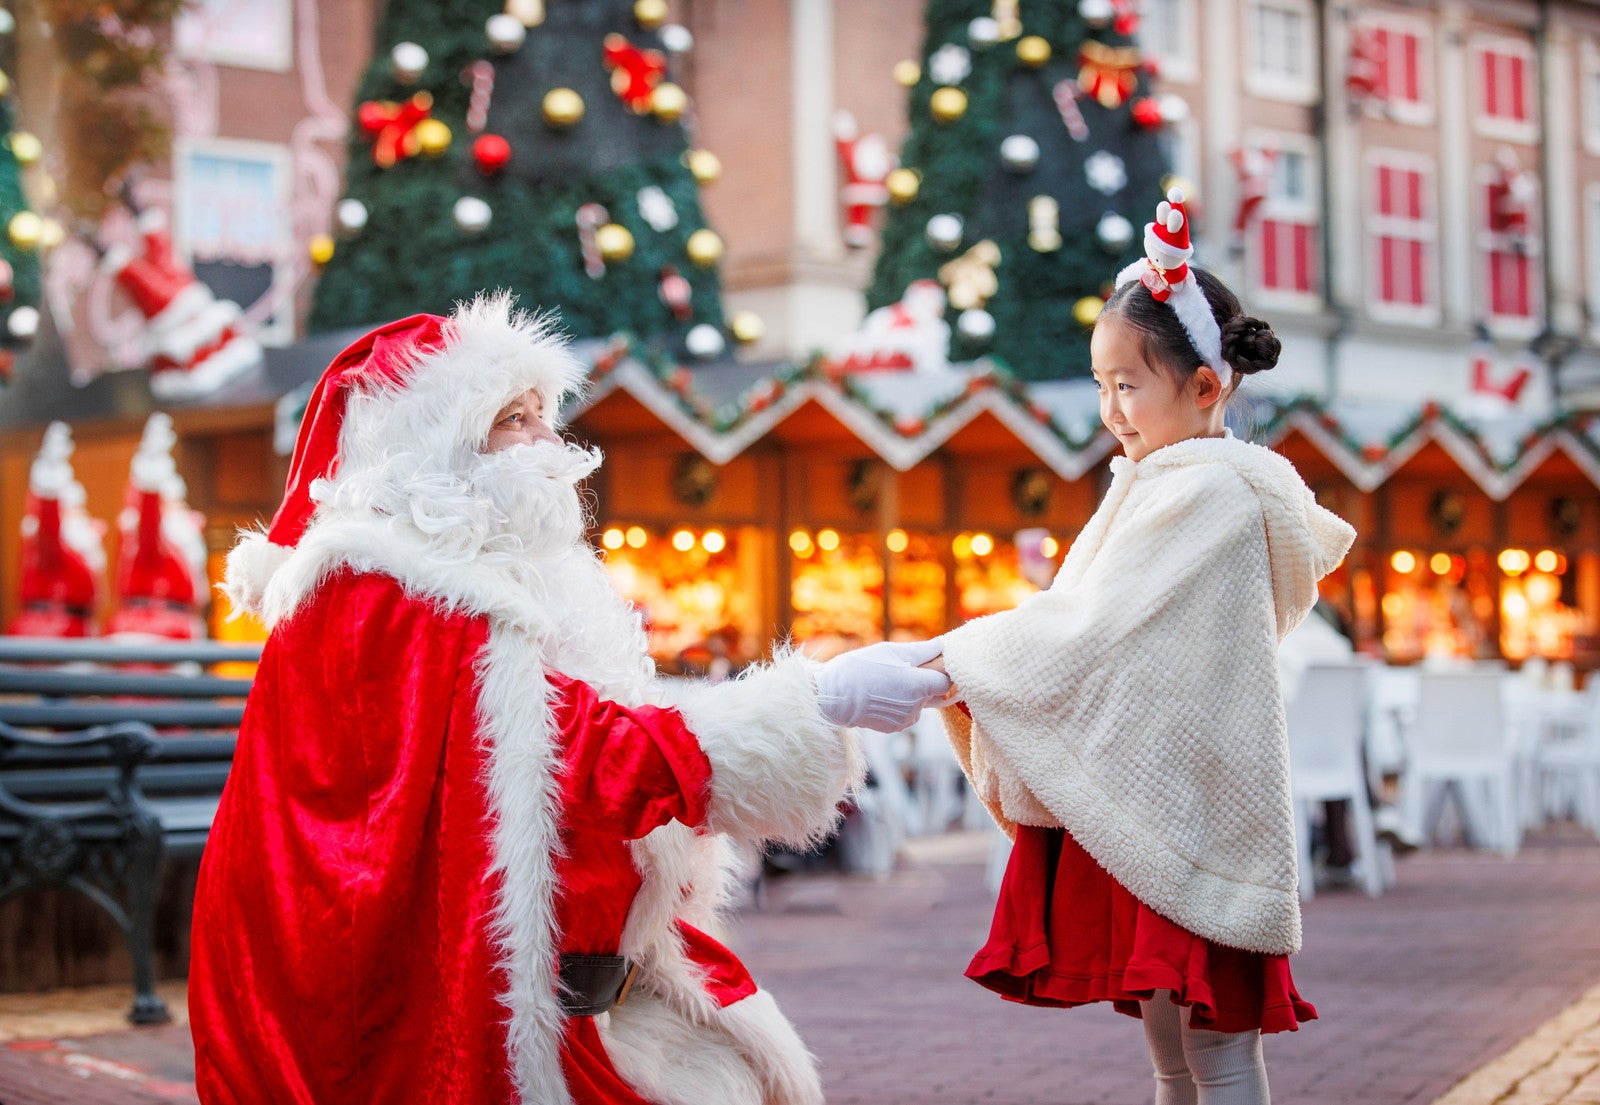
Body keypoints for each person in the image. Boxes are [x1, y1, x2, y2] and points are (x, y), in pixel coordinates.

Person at [189, 293, 950, 1105]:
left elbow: (584, 718)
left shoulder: (481, 575)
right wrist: (820, 697)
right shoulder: (389, 590)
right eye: (514, 421)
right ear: (432, 447)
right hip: (432, 1013)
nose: (550, 443)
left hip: (575, 992)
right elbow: (578, 747)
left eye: (543, 415)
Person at [927, 190, 1356, 1105]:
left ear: (1206, 385)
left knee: (1217, 1053)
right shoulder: (1164, 485)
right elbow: (1099, 623)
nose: (1111, 408)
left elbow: (1090, 625)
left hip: (1188, 791)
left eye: (1129, 384)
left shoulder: (1207, 495)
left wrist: (958, 659)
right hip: (1174, 787)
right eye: (1101, 382)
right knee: (1175, 1044)